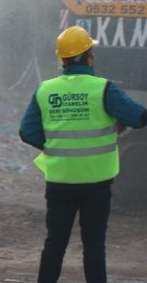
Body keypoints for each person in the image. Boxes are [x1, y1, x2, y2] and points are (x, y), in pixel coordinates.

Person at [19, 25, 147, 283]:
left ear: (63, 59)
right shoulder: (103, 89)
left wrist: (57, 146)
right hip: (96, 183)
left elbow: (27, 132)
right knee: (94, 245)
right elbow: (139, 117)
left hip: (59, 181)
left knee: (54, 243)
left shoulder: (46, 89)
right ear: (89, 56)